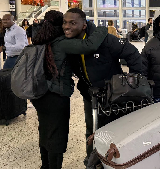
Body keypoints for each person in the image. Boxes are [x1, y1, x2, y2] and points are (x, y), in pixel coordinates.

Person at [61, 8, 143, 166]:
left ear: (84, 25)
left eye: (72, 23)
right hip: (89, 94)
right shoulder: (69, 42)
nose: (66, 26)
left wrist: (132, 82)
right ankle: (92, 161)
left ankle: (117, 161)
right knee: (92, 129)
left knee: (115, 129)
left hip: (113, 94)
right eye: (65, 22)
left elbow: (132, 53)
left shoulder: (104, 40)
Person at [30, 10, 108, 169]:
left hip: (40, 94)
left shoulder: (42, 39)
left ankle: (45, 166)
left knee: (45, 132)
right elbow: (90, 45)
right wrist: (102, 29)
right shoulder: (60, 43)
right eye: (64, 23)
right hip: (55, 96)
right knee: (56, 137)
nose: (66, 26)